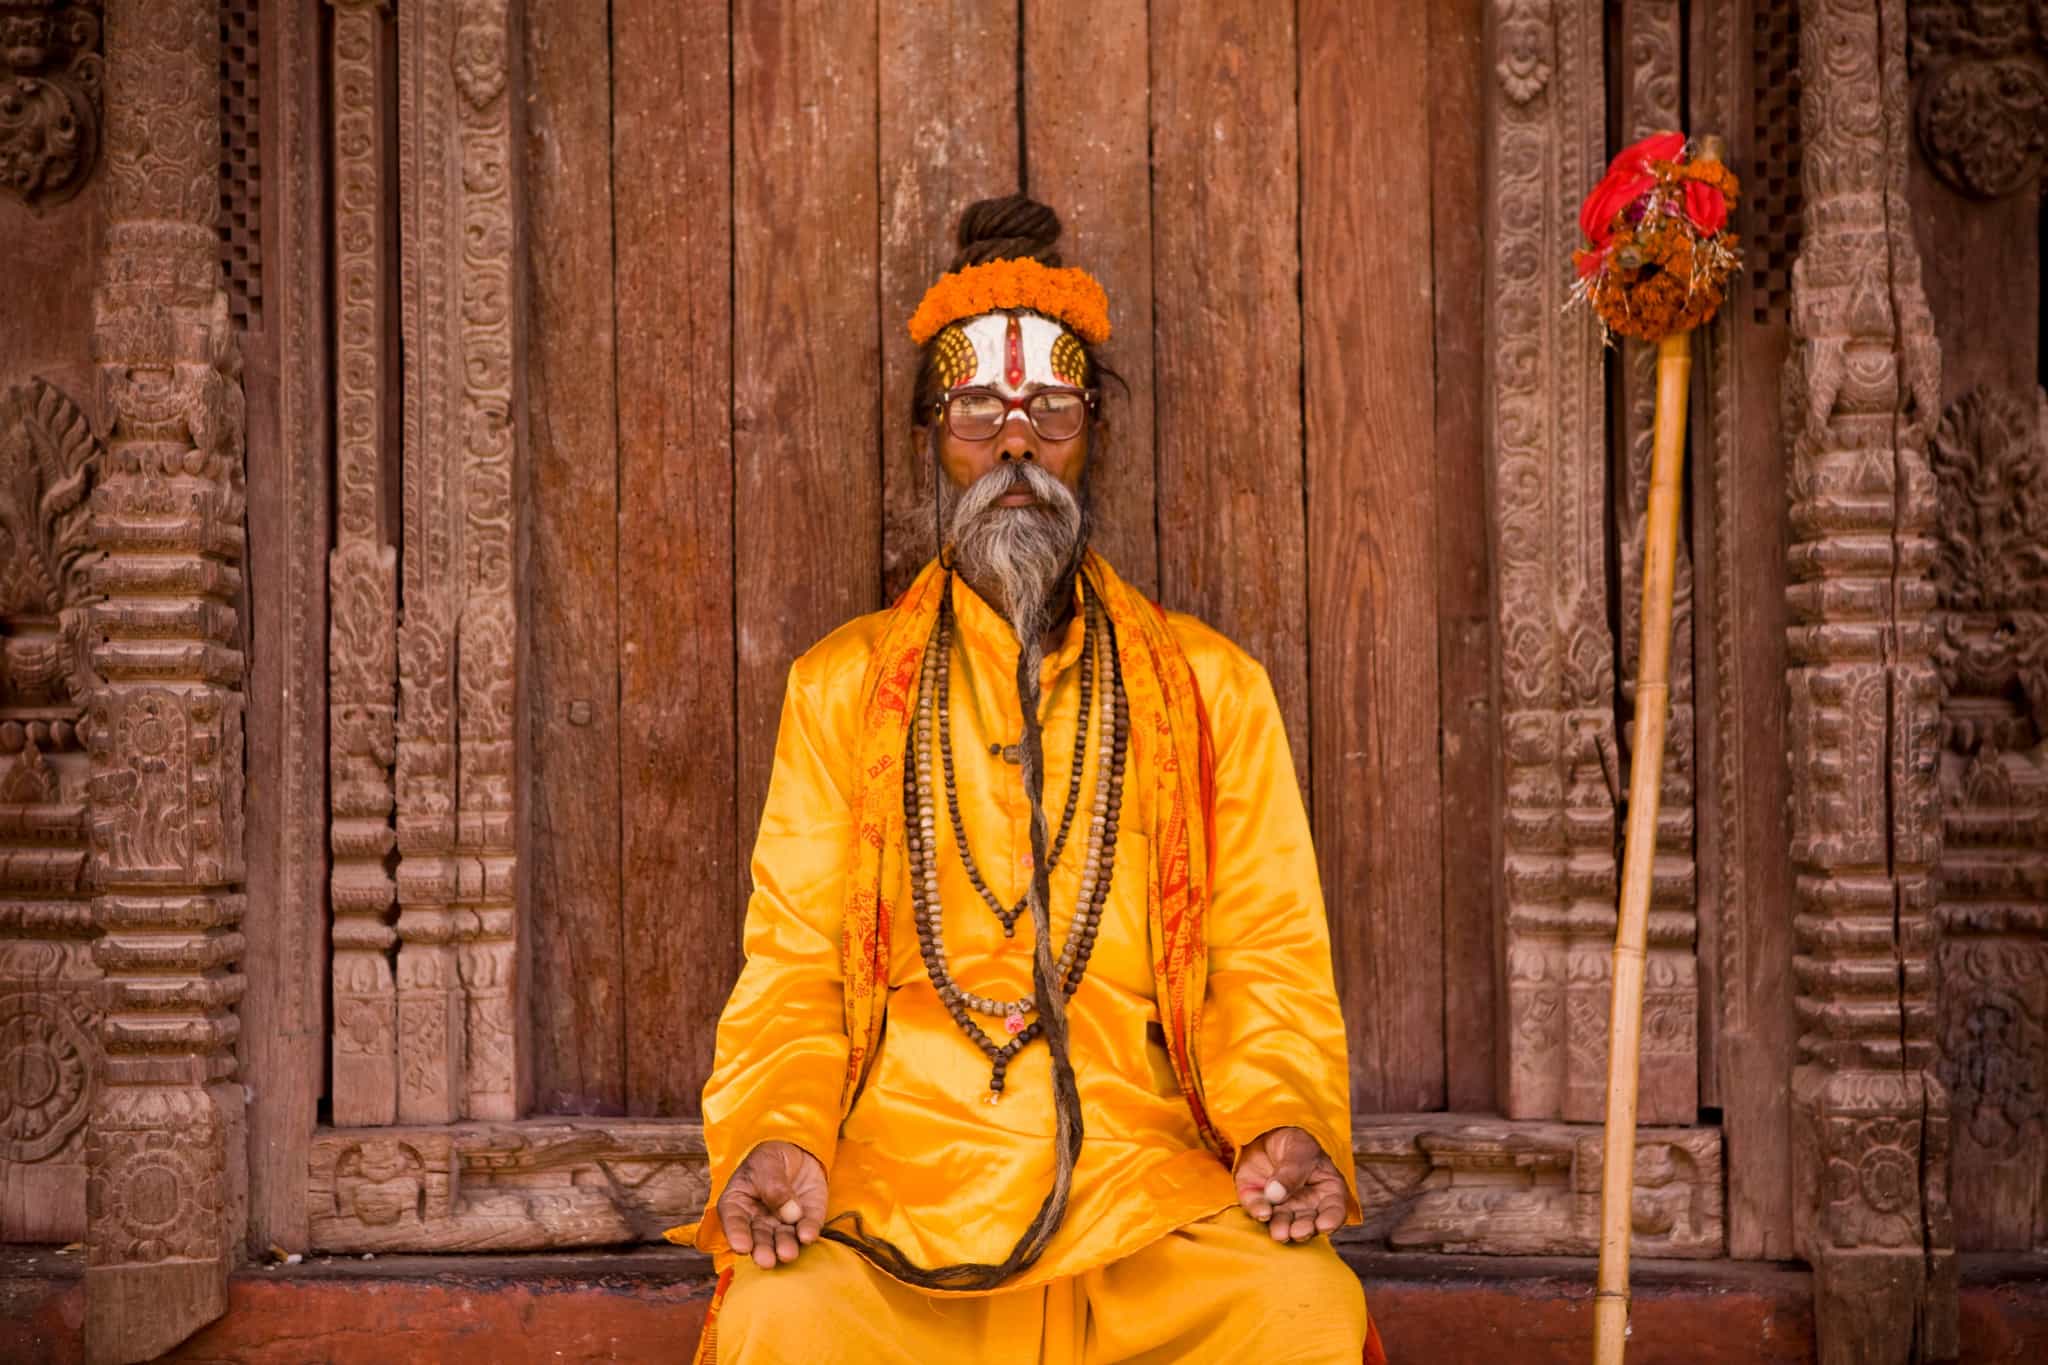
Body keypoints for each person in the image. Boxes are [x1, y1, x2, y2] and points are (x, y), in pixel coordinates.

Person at [669, 195, 1380, 1364]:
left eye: (1048, 410)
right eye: (976, 413)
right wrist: (777, 1136)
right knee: (781, 1319)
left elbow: (1267, 961)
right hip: (896, 1197)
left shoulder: (1210, 688)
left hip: (1140, 1194)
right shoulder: (839, 689)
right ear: (927, 438)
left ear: (1090, 429)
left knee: (1297, 1310)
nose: (1012, 446)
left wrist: (1282, 1124)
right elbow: (791, 970)